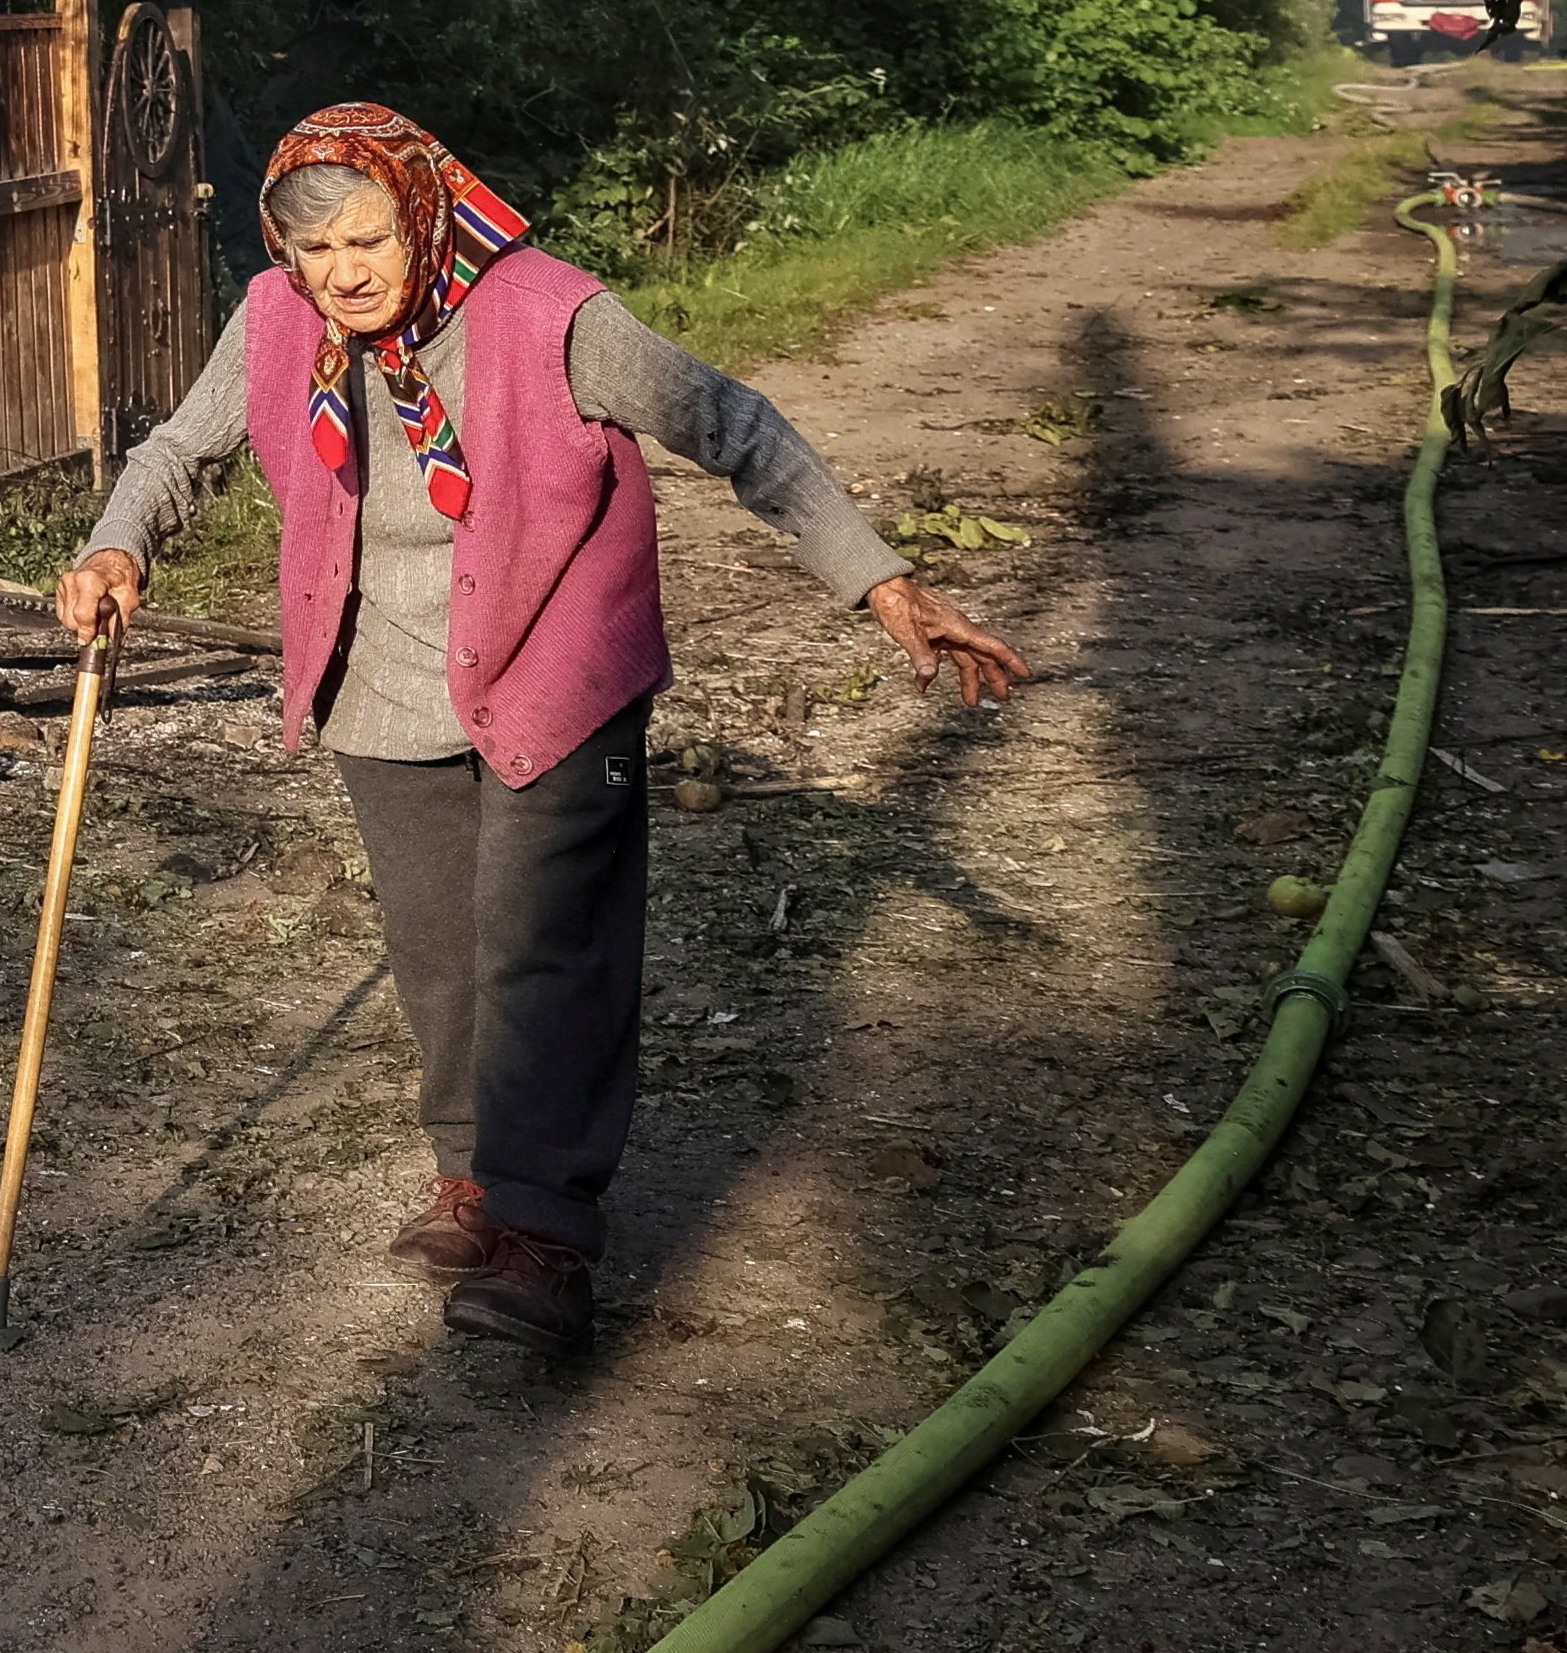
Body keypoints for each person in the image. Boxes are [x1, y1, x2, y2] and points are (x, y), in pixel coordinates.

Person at [52, 102, 1022, 1353]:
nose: (341, 275)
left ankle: (546, 1233)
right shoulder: (281, 317)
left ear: (421, 212)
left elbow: (739, 427)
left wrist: (880, 583)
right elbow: (182, 447)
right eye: (314, 251)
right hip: (383, 682)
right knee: (439, 950)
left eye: (365, 241)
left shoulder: (550, 315)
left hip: (557, 666)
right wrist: (117, 540)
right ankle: (475, 1179)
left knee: (542, 946)